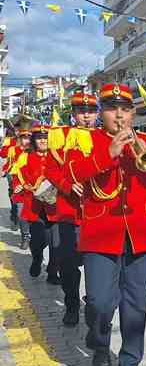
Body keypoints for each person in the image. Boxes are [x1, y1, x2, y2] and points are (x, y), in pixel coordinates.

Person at [65, 83, 146, 366]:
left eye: (125, 109)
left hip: (141, 235)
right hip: (100, 233)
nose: (119, 114)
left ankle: (129, 365)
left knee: (136, 306)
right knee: (101, 303)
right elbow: (73, 175)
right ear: (102, 112)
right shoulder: (84, 140)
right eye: (111, 108)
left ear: (132, 113)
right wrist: (109, 153)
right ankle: (101, 347)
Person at [45, 91, 99, 325]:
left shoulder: (105, 136)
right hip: (69, 213)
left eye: (90, 111)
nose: (86, 116)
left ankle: (94, 301)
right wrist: (67, 185)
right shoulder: (61, 136)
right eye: (81, 112)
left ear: (97, 113)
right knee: (68, 265)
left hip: (98, 215)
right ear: (73, 113)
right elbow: (50, 169)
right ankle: (71, 303)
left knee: (97, 267)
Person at [16, 126, 58, 281]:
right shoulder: (25, 157)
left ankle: (53, 273)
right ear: (34, 140)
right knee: (38, 241)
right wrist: (18, 187)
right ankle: (37, 259)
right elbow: (17, 177)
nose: (43, 140)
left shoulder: (57, 156)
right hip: (35, 207)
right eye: (39, 137)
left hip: (55, 207)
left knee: (56, 244)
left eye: (46, 137)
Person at [8, 123, 32, 248]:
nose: (26, 140)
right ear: (20, 139)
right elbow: (12, 168)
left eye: (28, 138)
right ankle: (25, 236)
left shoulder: (34, 152)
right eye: (24, 137)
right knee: (21, 214)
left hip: (34, 189)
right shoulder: (14, 150)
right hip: (19, 187)